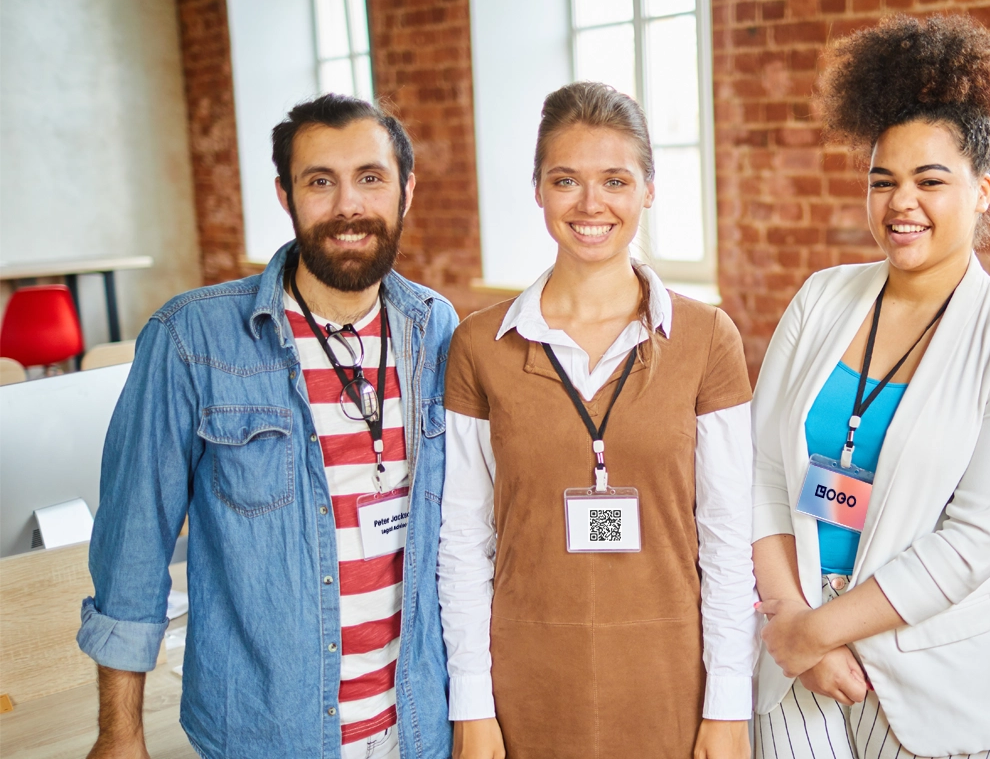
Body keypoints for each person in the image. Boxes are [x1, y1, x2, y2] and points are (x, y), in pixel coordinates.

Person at [79, 94, 457, 759]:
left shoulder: (437, 329)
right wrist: (120, 733)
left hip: (419, 726)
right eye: (320, 181)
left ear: (407, 192)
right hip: (265, 735)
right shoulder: (191, 338)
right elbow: (132, 547)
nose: (348, 206)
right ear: (284, 194)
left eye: (371, 178)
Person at [750, 15, 990, 759]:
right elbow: (759, 470)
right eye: (882, 181)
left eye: (931, 180)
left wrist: (812, 632)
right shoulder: (821, 298)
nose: (901, 204)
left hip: (932, 677)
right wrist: (792, 622)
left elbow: (971, 544)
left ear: (983, 190)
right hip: (796, 658)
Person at [438, 81, 756, 759]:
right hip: (524, 684)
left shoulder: (707, 339)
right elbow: (462, 543)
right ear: (538, 190)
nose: (591, 205)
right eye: (566, 180)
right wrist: (472, 704)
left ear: (647, 189)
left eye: (615, 180)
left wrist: (729, 705)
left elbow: (728, 538)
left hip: (675, 685)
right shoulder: (477, 346)